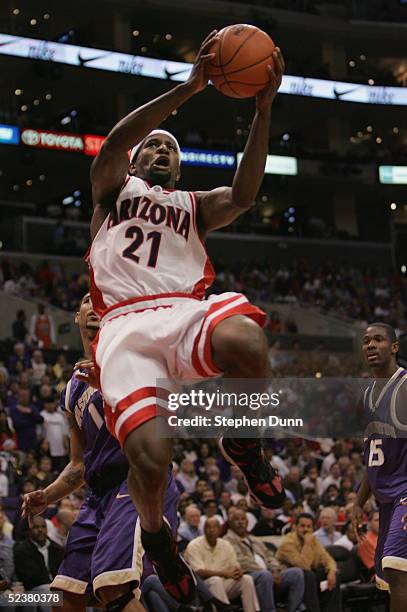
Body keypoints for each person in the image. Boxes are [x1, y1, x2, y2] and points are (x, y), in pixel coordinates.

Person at [85, 28, 286, 603]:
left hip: (182, 312)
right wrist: (191, 86)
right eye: (154, 146)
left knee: (247, 340)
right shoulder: (111, 191)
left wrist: (263, 110)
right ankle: (158, 537)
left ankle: (242, 442)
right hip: (124, 327)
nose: (161, 152)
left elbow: (245, 195)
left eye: (170, 148)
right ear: (139, 155)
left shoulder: (193, 208)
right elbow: (114, 146)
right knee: (151, 460)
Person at [22, 293, 179, 612]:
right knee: (65, 598)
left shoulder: (133, 358)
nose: (93, 304)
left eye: (102, 298)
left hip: (135, 482)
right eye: (85, 299)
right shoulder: (72, 390)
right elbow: (79, 465)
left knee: (113, 587)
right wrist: (48, 496)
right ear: (77, 317)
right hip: (97, 495)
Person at [352, 323, 407, 607]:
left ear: (394, 347)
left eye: (378, 340)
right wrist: (359, 501)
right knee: (390, 577)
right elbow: (371, 457)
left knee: (397, 570)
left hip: (405, 493)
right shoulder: (365, 396)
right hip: (385, 498)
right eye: (366, 341)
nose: (371, 345)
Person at [224, 509, 305, 612]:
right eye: (236, 519)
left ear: (247, 522)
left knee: (297, 573)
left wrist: (275, 570)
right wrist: (269, 572)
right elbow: (241, 562)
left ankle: (295, 609)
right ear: (230, 523)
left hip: (269, 573)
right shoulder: (227, 540)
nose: (240, 522)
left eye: (243, 519)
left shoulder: (254, 539)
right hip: (247, 576)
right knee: (264, 576)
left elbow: (269, 556)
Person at [185, 517, 259, 611]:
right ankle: (226, 610)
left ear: (220, 529)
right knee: (215, 580)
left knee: (246, 579)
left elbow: (235, 566)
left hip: (225, 583)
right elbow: (198, 572)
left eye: (215, 527)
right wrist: (224, 573)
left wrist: (238, 572)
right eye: (208, 527)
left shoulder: (226, 545)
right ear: (204, 530)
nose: (211, 530)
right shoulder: (194, 545)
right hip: (204, 587)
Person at [276, 514, 341, 612]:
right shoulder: (288, 543)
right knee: (308, 575)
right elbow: (304, 565)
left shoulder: (313, 540)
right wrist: (307, 544)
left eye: (308, 526)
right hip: (289, 581)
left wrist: (331, 572)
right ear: (295, 527)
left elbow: (328, 559)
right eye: (302, 526)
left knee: (334, 574)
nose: (306, 529)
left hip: (309, 578)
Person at [13, 516, 64, 601]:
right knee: (48, 591)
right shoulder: (21, 550)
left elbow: (62, 572)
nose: (40, 530)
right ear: (29, 530)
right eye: (36, 527)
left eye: (43, 527)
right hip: (32, 590)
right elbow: (28, 579)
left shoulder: (57, 548)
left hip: (57, 587)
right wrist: (52, 584)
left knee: (81, 594)